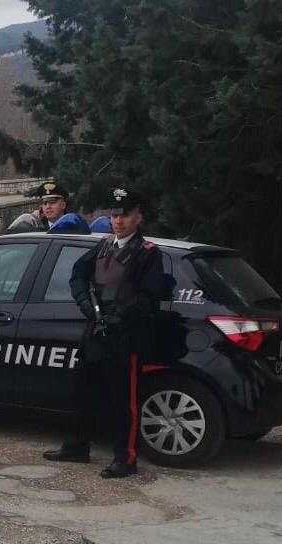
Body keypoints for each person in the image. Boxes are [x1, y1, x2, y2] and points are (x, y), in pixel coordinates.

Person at [43, 187, 164, 478]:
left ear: (138, 217)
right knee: (83, 394)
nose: (118, 221)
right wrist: (86, 304)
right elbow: (78, 274)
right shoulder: (104, 246)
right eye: (114, 215)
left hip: (125, 338)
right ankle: (76, 447)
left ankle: (126, 459)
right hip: (96, 332)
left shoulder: (147, 253)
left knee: (123, 402)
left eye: (125, 215)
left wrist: (120, 317)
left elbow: (150, 297)